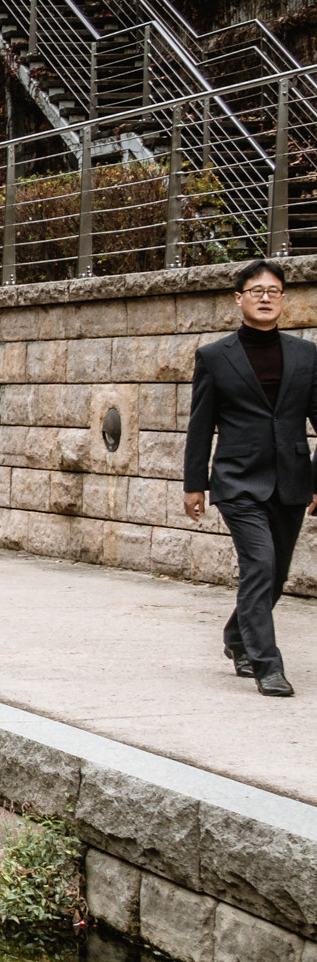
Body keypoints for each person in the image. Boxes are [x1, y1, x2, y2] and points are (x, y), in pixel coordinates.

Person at [184, 259, 317, 697]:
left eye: (274, 291)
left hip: (293, 480)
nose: (265, 297)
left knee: (275, 576)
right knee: (258, 565)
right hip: (238, 480)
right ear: (238, 298)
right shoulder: (214, 357)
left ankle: (237, 637)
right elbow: (201, 425)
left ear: (283, 300)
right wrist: (194, 484)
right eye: (256, 290)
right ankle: (267, 665)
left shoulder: (305, 354)